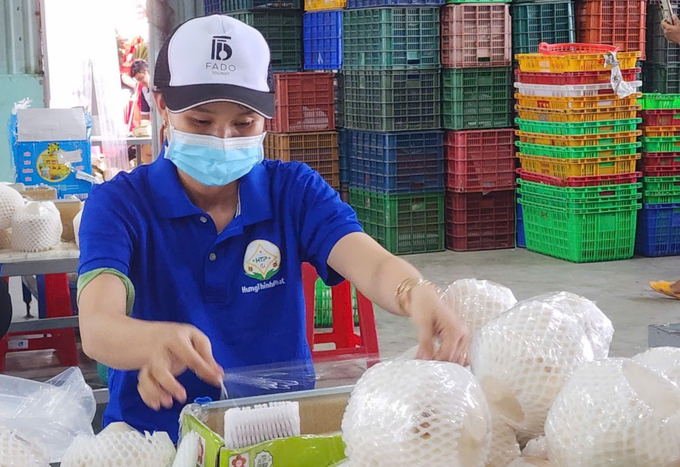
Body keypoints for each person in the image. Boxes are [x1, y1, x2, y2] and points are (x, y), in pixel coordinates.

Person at [77, 14, 471, 440]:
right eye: (201, 122)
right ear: (162, 106)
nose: (224, 138)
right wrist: (150, 342)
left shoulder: (293, 192)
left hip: (278, 431)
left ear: (268, 114)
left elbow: (370, 264)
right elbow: (97, 324)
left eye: (243, 124)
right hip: (153, 437)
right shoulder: (120, 204)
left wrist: (414, 292)